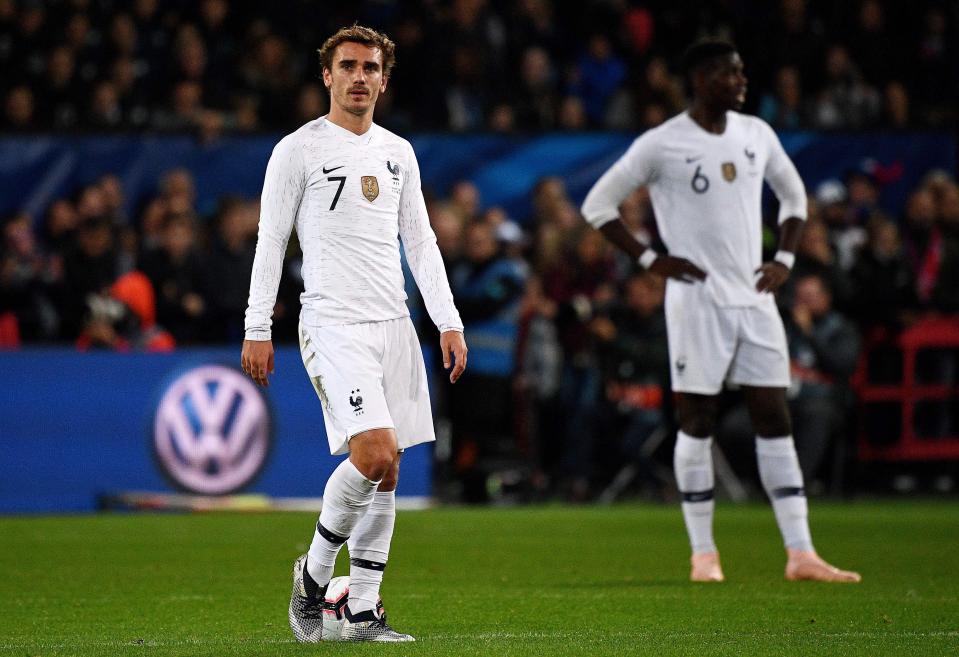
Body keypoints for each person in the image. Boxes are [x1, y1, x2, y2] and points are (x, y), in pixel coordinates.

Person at [581, 39, 860, 584]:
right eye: (730, 73)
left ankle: (801, 553)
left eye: (740, 70)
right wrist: (650, 260)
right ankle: (703, 554)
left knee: (774, 416)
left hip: (754, 299)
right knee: (697, 420)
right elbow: (598, 205)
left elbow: (795, 198)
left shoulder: (757, 133)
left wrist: (782, 258)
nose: (741, 80)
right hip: (697, 300)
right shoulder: (662, 143)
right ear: (702, 79)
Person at [241, 25, 467, 642]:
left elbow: (420, 242)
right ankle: (313, 580)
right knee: (373, 454)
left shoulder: (399, 153)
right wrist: (257, 326)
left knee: (388, 472)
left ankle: (361, 610)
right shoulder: (298, 150)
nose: (360, 77)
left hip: (394, 323)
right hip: (333, 323)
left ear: (384, 80)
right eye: (349, 66)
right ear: (327, 76)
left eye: (371, 68)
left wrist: (446, 320)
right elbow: (269, 242)